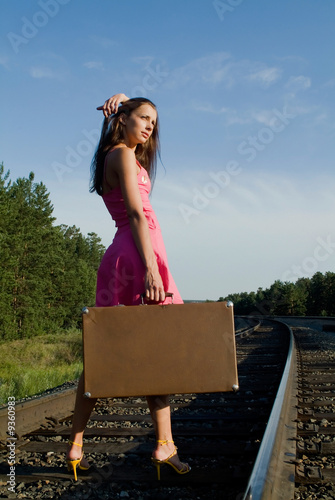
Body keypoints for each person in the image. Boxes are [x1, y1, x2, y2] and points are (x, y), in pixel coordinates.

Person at [66, 93, 191, 482]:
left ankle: (76, 445)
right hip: (138, 257)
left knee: (105, 354)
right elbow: (136, 213)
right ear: (124, 120)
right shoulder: (120, 155)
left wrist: (119, 103)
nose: (151, 125)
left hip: (133, 253)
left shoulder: (119, 154)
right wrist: (152, 270)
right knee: (153, 350)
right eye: (144, 117)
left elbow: (137, 209)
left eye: (155, 120)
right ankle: (164, 446)